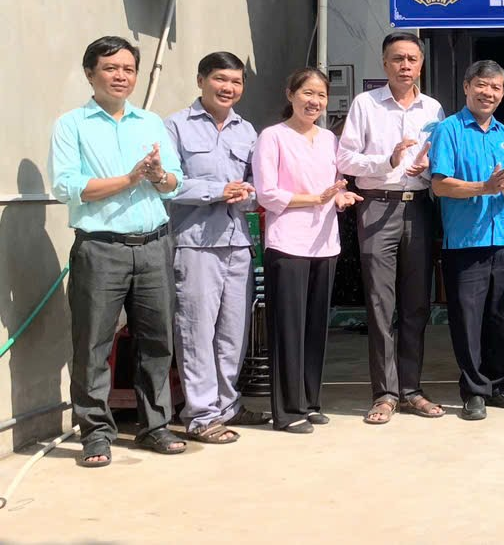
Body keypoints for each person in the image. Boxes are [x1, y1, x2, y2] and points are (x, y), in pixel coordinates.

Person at [49, 36, 186, 467]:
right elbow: (68, 186)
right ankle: (95, 433)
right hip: (100, 248)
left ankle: (155, 426)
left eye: (128, 69)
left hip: (154, 245)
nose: (121, 76)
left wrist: (158, 175)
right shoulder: (72, 124)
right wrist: (129, 179)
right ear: (90, 73)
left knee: (157, 341)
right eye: (111, 68)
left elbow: (175, 182)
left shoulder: (150, 122)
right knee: (93, 344)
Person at [337, 32, 446, 425]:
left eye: (412, 59)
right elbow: (345, 158)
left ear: (421, 65)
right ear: (384, 63)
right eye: (398, 59)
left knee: (416, 303)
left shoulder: (433, 108)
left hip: (419, 206)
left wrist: (429, 166)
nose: (405, 66)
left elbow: (442, 156)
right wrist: (388, 161)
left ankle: (411, 389)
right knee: (381, 304)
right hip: (377, 205)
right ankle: (385, 393)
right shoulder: (365, 104)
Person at [165, 51, 268, 445]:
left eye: (236, 82)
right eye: (220, 79)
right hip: (196, 243)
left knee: (233, 331)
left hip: (238, 241)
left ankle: (228, 404)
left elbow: (257, 183)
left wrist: (247, 194)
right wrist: (217, 191)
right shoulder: (175, 126)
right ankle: (201, 414)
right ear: (201, 80)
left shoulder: (247, 130)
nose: (228, 88)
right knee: (196, 330)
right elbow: (168, 185)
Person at [253, 67, 362, 434]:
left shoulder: (329, 139)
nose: (314, 101)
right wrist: (316, 198)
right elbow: (267, 193)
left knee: (315, 328)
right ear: (290, 94)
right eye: (307, 93)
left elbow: (333, 187)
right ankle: (287, 411)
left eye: (321, 96)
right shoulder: (272, 137)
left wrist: (341, 197)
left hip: (325, 244)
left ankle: (310, 401)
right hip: (288, 244)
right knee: (288, 329)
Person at [429, 60, 504, 421]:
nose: (489, 93)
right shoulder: (448, 130)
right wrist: (484, 187)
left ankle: (498, 385)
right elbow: (440, 184)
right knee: (468, 320)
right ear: (467, 87)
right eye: (482, 85)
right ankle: (473, 390)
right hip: (465, 242)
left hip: (503, 239)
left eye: (496, 87)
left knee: (503, 318)